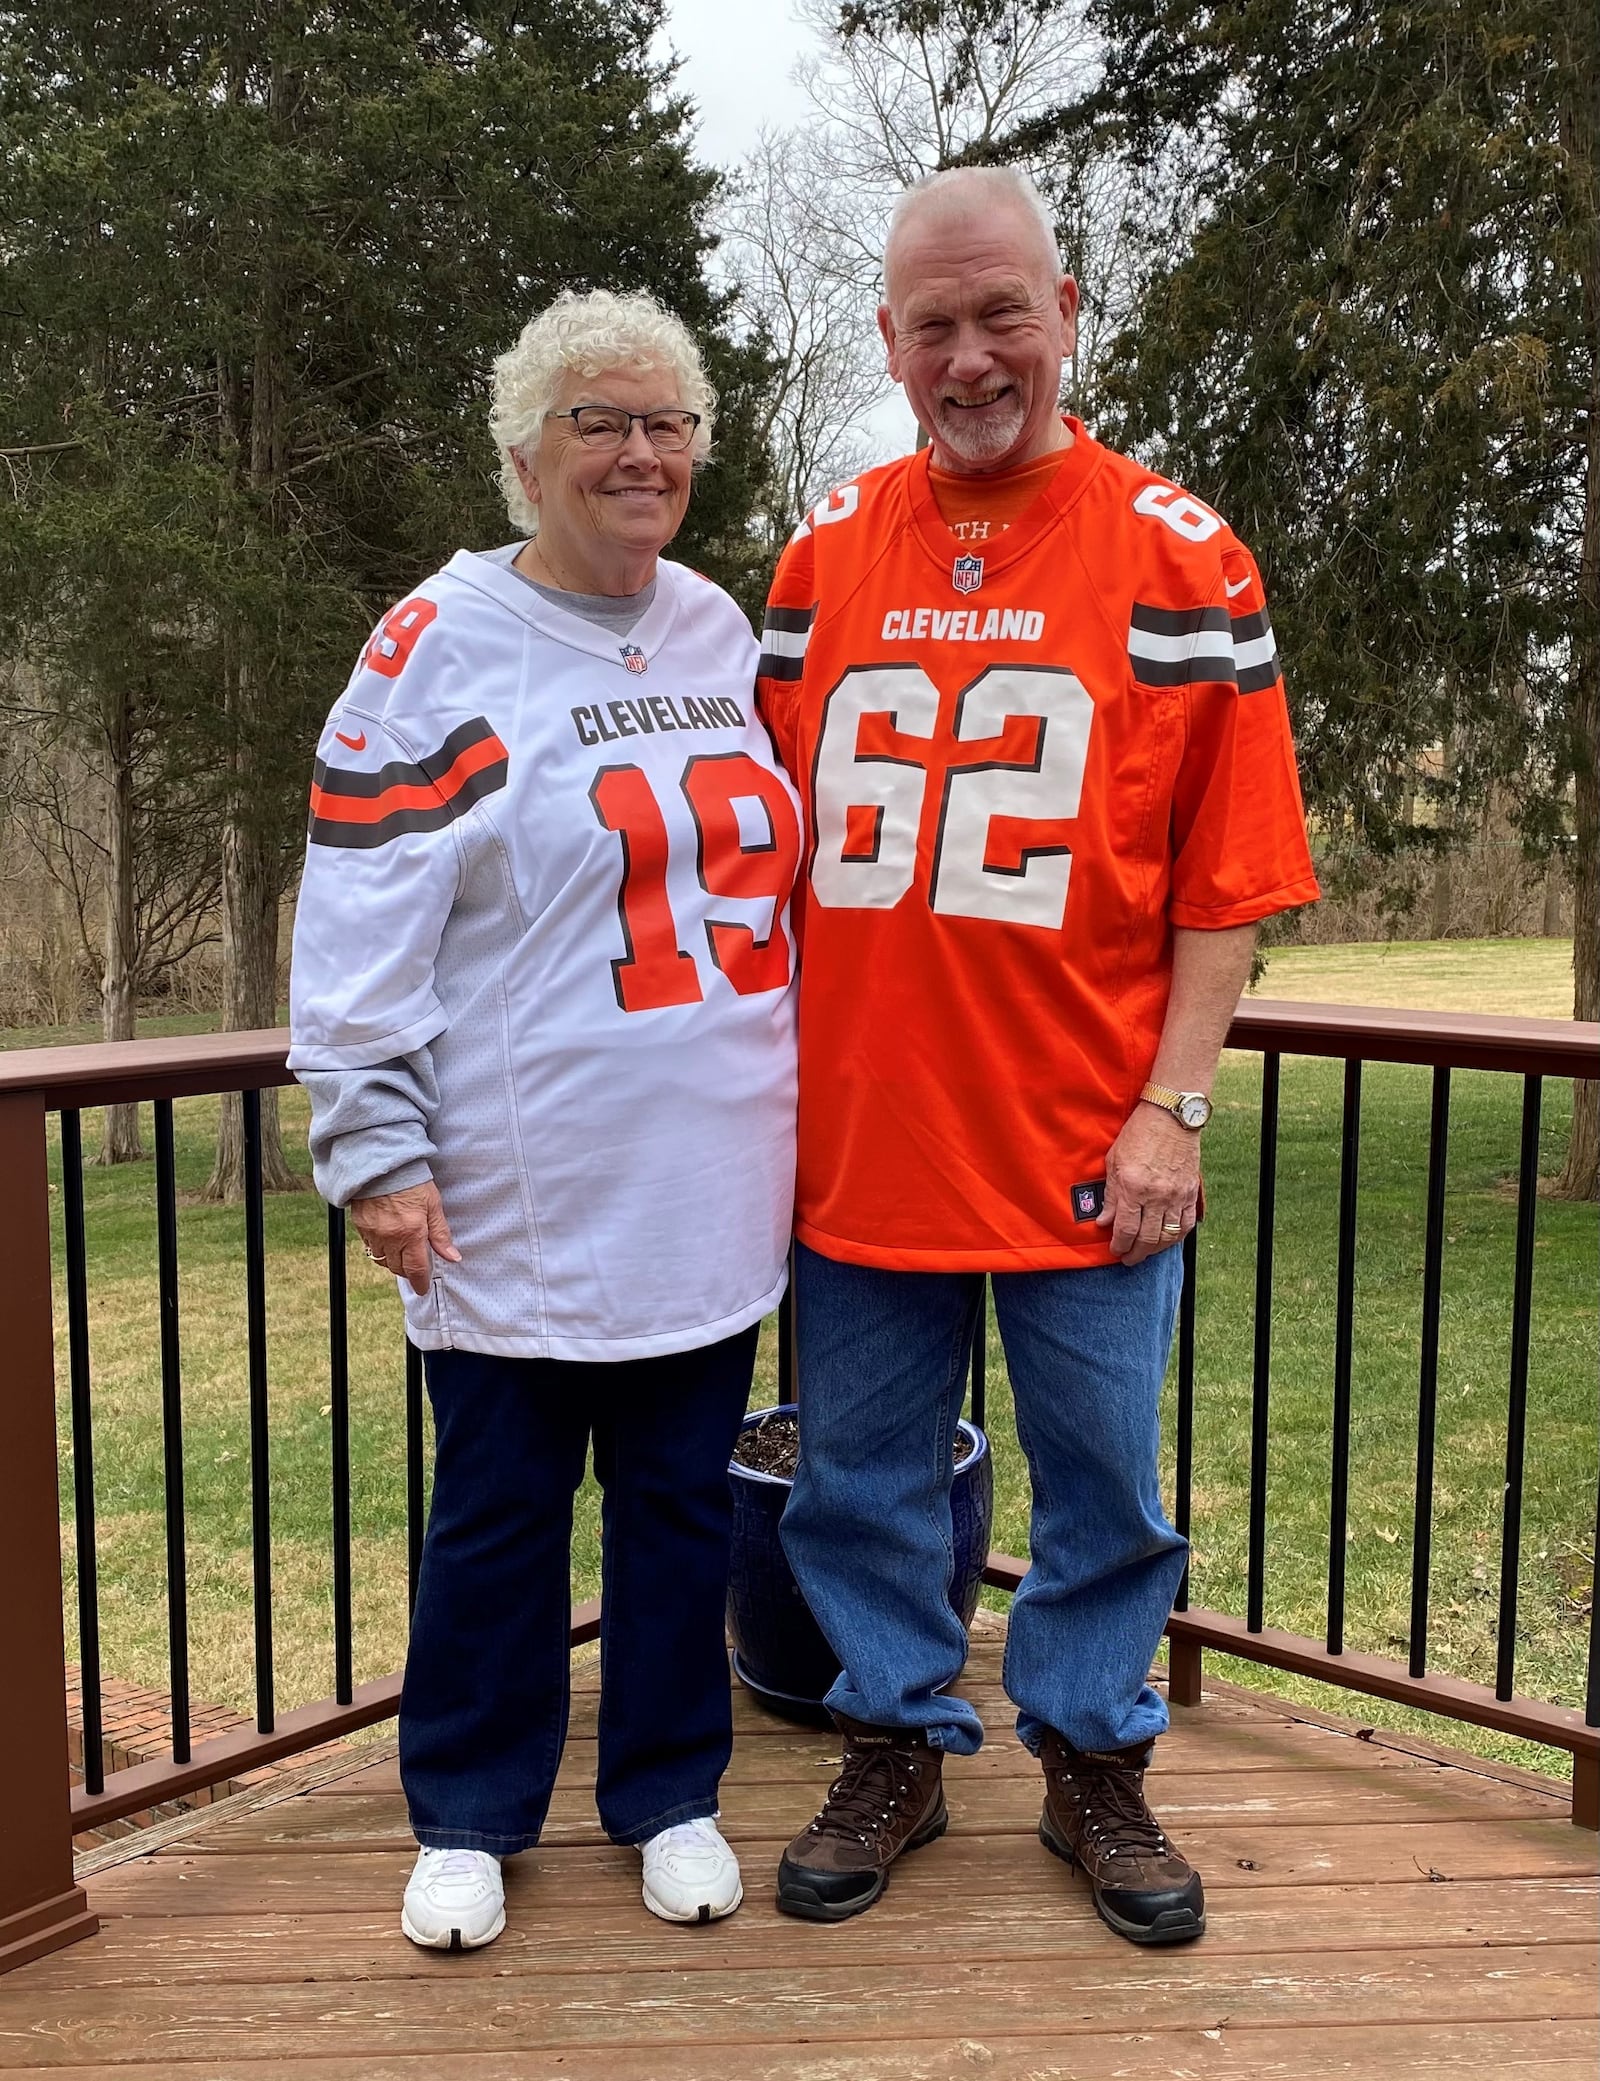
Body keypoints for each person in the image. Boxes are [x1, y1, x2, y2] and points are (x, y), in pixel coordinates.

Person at [755, 168, 1320, 1944]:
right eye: (935, 322)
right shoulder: (822, 552)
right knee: (854, 1482)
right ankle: (899, 1734)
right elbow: (739, 848)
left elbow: (1230, 880)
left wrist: (1176, 1103)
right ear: (889, 341)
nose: (973, 352)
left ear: (1067, 308)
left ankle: (1092, 1757)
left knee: (1104, 1489)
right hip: (860, 1138)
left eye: (1003, 311)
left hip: (1093, 1139)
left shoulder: (1182, 550)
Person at [288, 288, 802, 1951]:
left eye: (668, 424)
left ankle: (669, 1790)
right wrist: (374, 1143)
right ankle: (467, 1807)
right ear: (526, 450)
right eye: (600, 421)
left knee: (676, 1514)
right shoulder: (440, 645)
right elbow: (364, 909)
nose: (639, 452)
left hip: (706, 1187)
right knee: (497, 1518)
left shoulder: (722, 630)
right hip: (514, 1190)